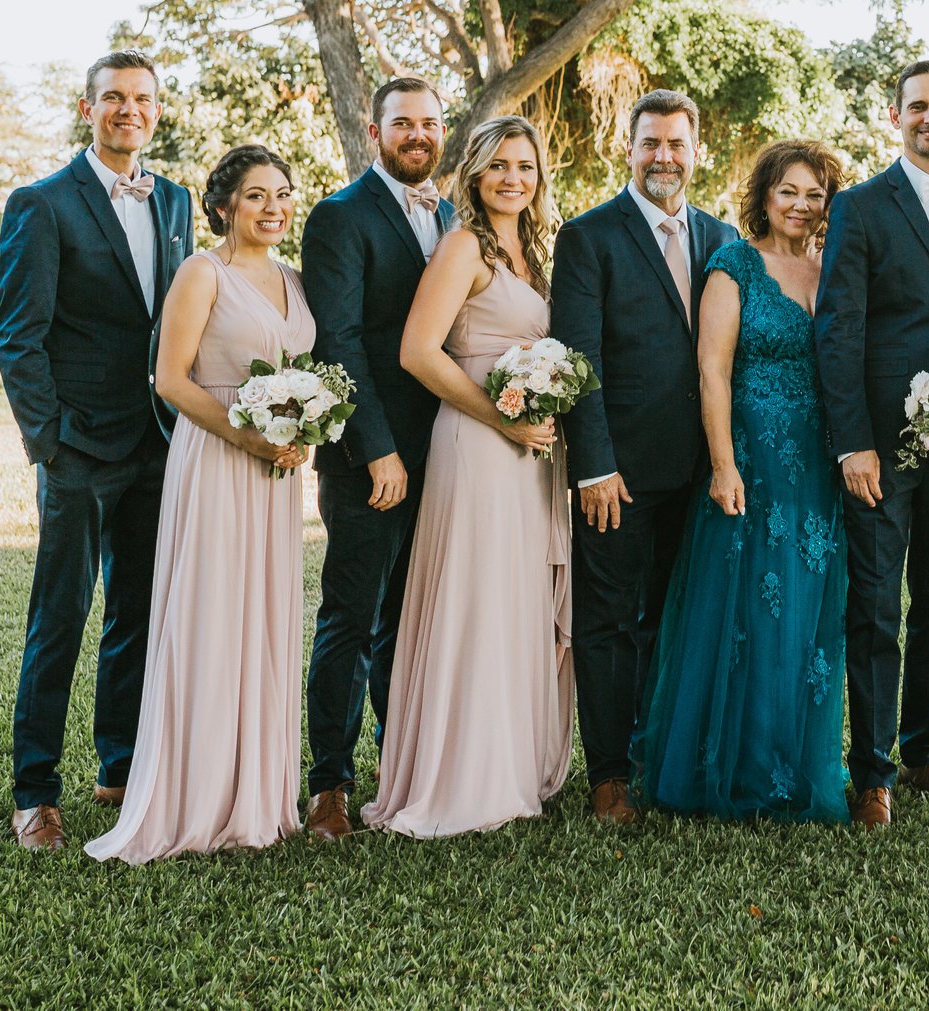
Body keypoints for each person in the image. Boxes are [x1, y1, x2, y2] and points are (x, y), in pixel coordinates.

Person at [89, 147, 312, 863]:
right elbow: (172, 379)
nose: (273, 207)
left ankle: (258, 791)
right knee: (214, 613)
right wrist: (248, 436)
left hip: (276, 474)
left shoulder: (294, 279)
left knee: (263, 615)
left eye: (282, 193)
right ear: (223, 206)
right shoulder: (201, 272)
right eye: (256, 195)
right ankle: (197, 791)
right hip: (218, 458)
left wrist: (303, 428)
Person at [0, 51, 194, 851]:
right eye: (113, 97)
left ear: (157, 110)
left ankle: (120, 766)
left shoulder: (174, 199)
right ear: (88, 109)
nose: (128, 109)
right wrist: (48, 439)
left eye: (142, 98)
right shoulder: (42, 203)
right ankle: (35, 791)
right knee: (61, 616)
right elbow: (20, 334)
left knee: (137, 612)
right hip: (76, 447)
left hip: (156, 441)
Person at [365, 118, 574, 838]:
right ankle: (462, 774)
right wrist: (502, 418)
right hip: (479, 441)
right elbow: (418, 351)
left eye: (525, 166)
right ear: (476, 173)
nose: (513, 178)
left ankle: (507, 760)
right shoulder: (463, 246)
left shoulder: (535, 250)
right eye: (498, 165)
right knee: (476, 594)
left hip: (529, 449)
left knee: (512, 596)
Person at [635, 140, 851, 821]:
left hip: (817, 465)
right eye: (788, 191)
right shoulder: (734, 265)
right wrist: (724, 464)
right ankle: (740, 766)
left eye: (814, 194)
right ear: (764, 195)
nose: (800, 205)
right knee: (751, 609)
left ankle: (794, 760)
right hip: (753, 458)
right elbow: (713, 370)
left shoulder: (830, 266)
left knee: (806, 608)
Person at [548, 90, 734, 825]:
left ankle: (660, 756)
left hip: (699, 471)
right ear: (627, 150)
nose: (664, 156)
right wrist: (594, 465)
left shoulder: (721, 237)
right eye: (650, 142)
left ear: (696, 152)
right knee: (609, 621)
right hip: (618, 473)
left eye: (676, 144)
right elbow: (579, 357)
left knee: (676, 617)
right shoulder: (588, 236)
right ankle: (608, 775)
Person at [814, 60, 929, 828]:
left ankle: (921, 750)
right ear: (896, 116)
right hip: (881, 447)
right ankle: (873, 773)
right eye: (918, 106)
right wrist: (852, 441)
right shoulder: (859, 206)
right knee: (877, 606)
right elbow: (838, 328)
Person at [299, 77, 457, 841]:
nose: (418, 135)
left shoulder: (453, 216)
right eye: (403, 123)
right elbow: (338, 340)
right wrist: (378, 450)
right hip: (370, 457)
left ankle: (401, 765)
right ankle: (329, 783)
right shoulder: (339, 215)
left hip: (447, 452)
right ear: (375, 131)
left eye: (429, 122)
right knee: (352, 617)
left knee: (411, 617)